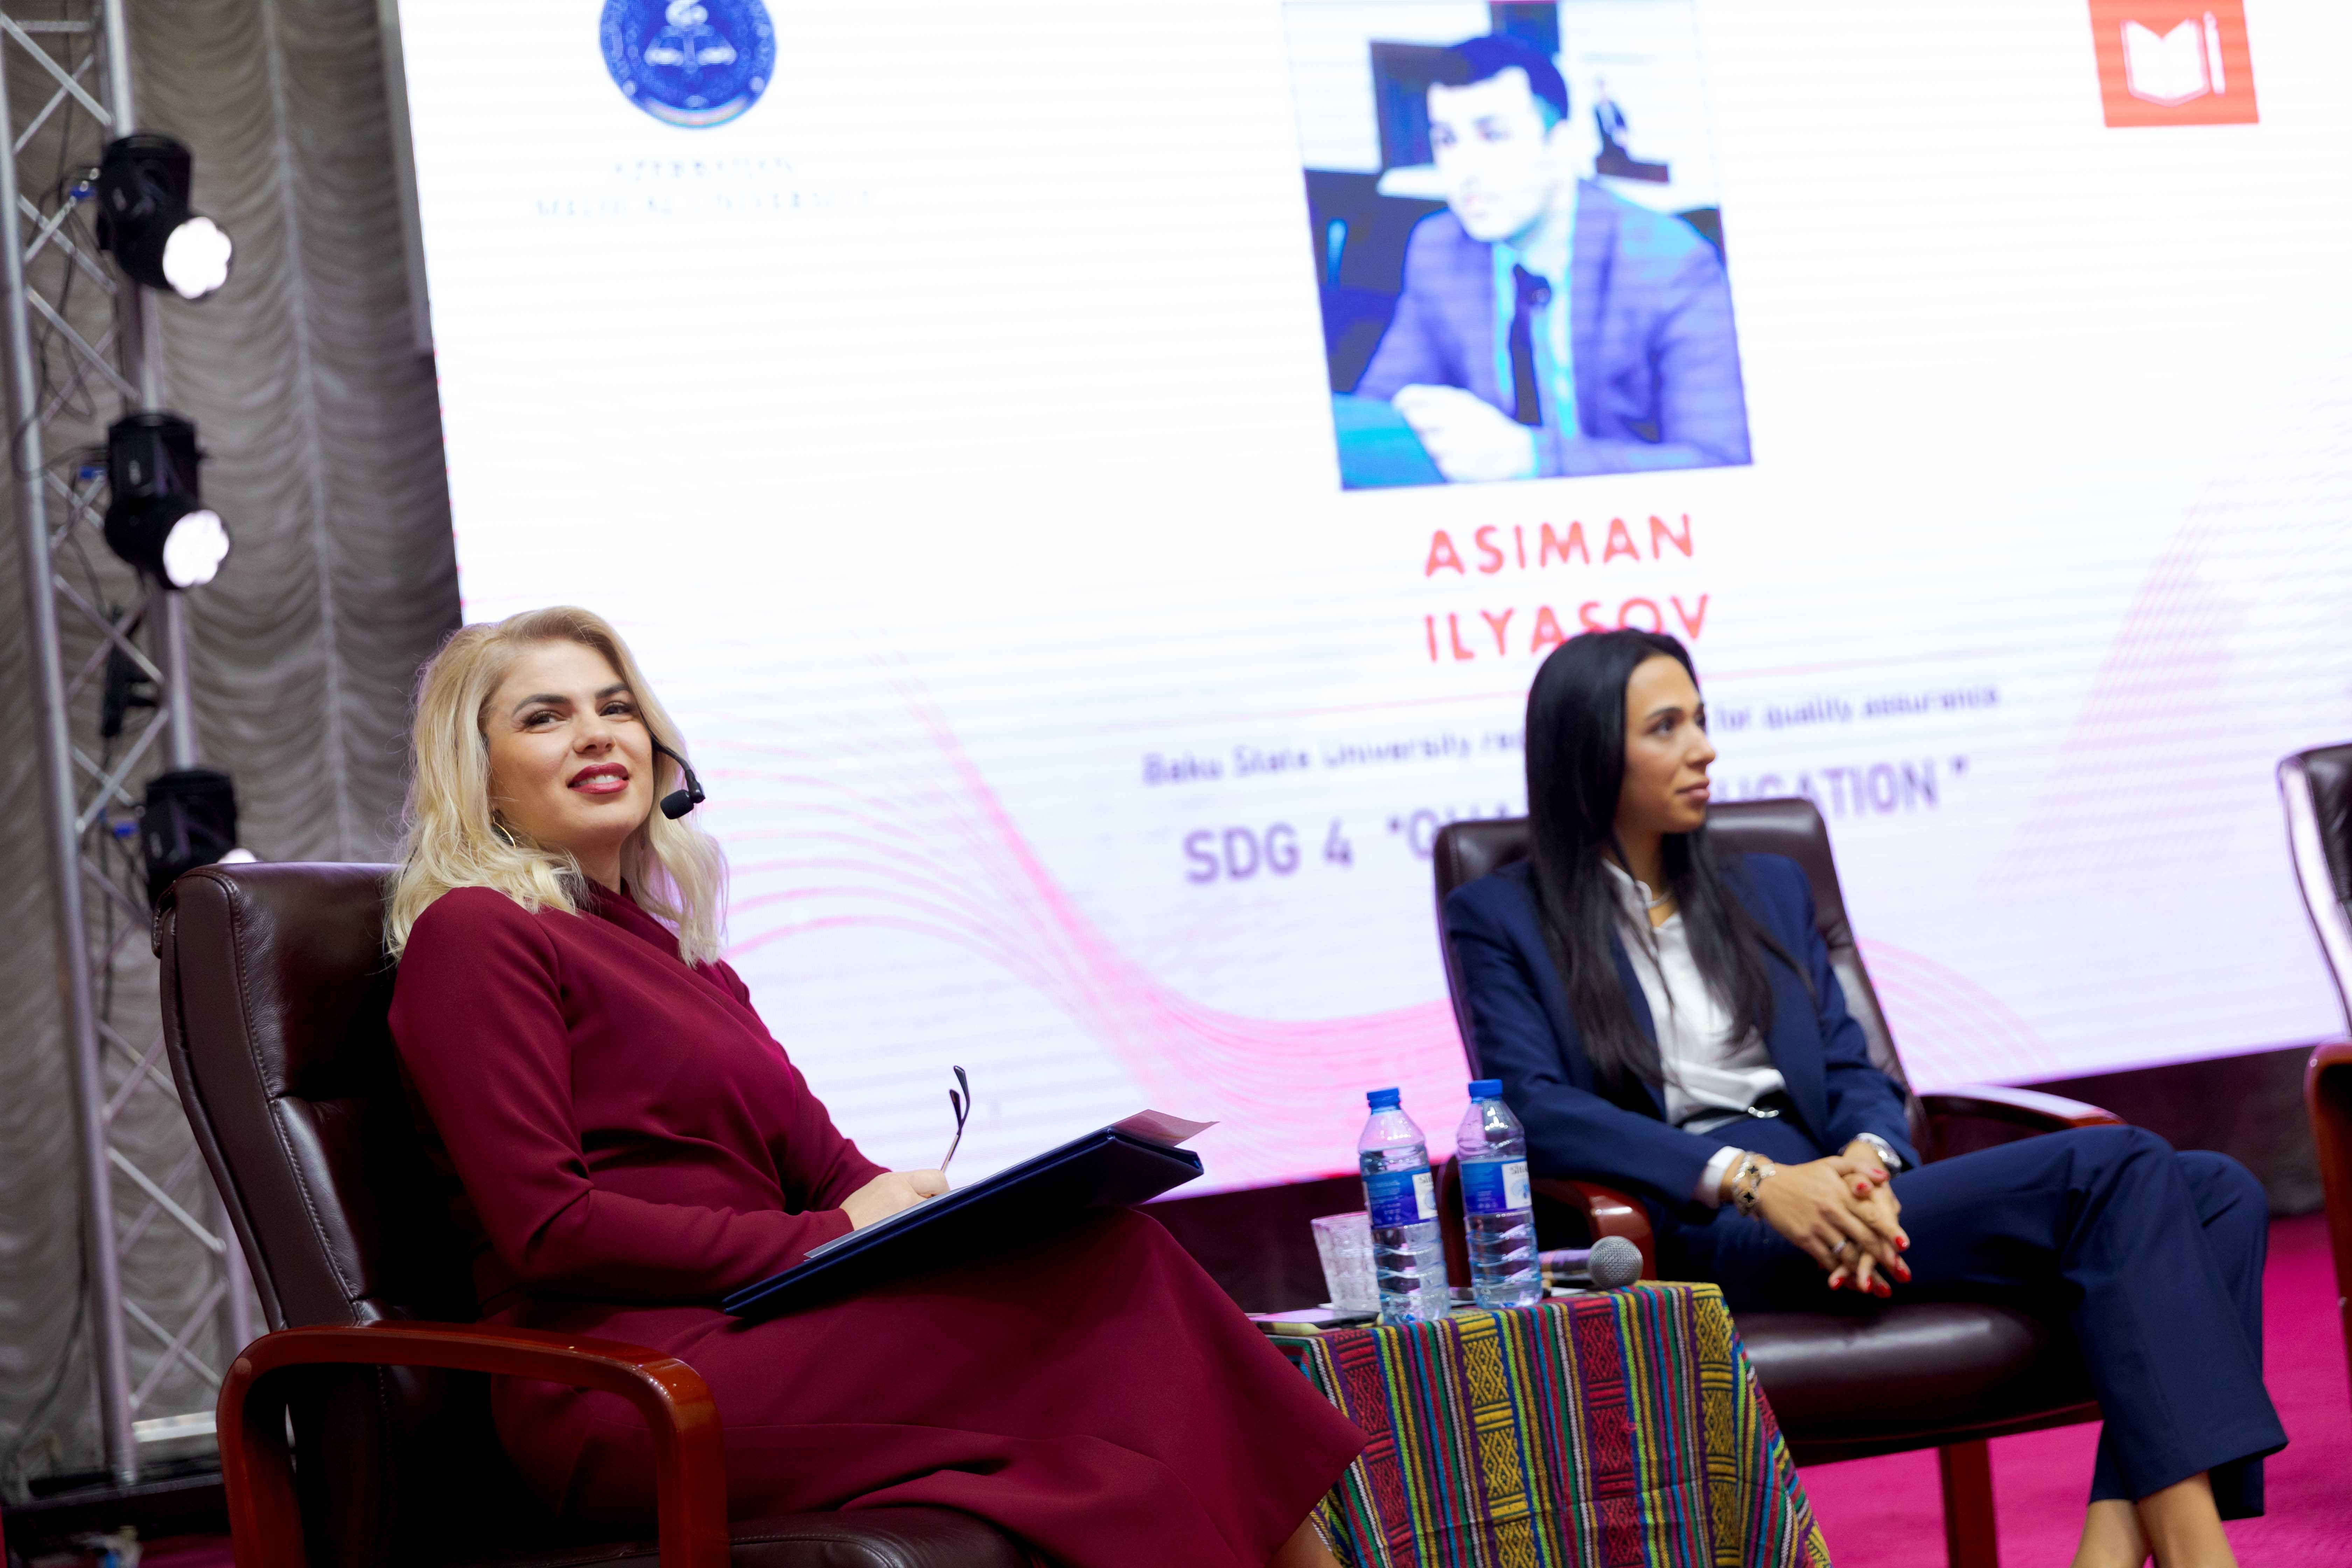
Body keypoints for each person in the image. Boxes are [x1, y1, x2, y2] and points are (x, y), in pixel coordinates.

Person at [383, 607, 1362, 1568]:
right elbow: (553, 1229)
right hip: (627, 1386)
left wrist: (944, 1216)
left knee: (1110, 1258)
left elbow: (831, 1174)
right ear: (482, 774)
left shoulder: (687, 960)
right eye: (545, 717)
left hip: (751, 1331)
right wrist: (832, 1234)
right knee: (1116, 1290)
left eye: (616, 707)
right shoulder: (475, 932)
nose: (598, 734)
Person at [1442, 629, 2285, 1568]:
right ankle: (2188, 1554)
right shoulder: (1502, 917)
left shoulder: (1764, 885)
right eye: (1667, 727)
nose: (1705, 749)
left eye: (1703, 721)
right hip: (1710, 1220)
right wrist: (1757, 1181)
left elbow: (1852, 1070)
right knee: (2119, 1164)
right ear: (1591, 751)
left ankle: (2118, 1551)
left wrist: (1866, 1161)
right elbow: (1535, 1107)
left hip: (1835, 1185)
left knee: (2219, 1193)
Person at [1355, 35, 1748, 482]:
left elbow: (1720, 460)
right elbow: (1375, 414)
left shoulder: (1668, 262)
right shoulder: (1439, 248)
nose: (1464, 168)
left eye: (1493, 135)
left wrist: (1534, 459)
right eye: (1446, 140)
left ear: (1560, 146)